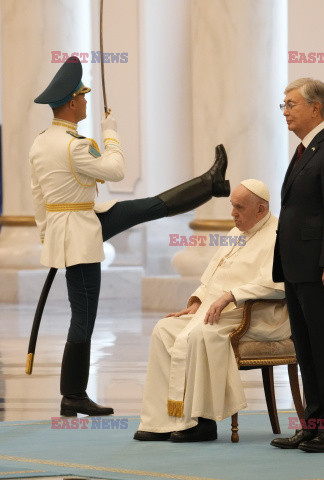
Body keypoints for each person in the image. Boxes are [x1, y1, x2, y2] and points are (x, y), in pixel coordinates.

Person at [30, 56, 230, 417]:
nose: (87, 102)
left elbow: (38, 198)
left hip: (76, 225)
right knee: (83, 317)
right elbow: (117, 170)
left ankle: (210, 183)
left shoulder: (41, 142)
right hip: (81, 232)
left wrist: (48, 236)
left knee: (148, 207)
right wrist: (111, 132)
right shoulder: (74, 145)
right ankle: (72, 394)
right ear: (73, 103)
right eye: (84, 97)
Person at [134, 179, 291, 442]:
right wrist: (197, 301)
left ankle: (201, 422)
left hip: (258, 316)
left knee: (201, 334)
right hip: (220, 312)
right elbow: (213, 275)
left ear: (261, 210)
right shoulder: (235, 232)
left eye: (239, 207)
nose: (233, 214)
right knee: (164, 330)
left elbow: (278, 285)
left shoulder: (279, 235)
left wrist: (232, 295)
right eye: (232, 206)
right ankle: (162, 420)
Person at [271, 78, 324, 453]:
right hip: (297, 268)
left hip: (322, 270)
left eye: (291, 104)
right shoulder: (307, 149)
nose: (286, 111)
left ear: (316, 108)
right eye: (284, 105)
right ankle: (313, 424)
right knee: (307, 350)